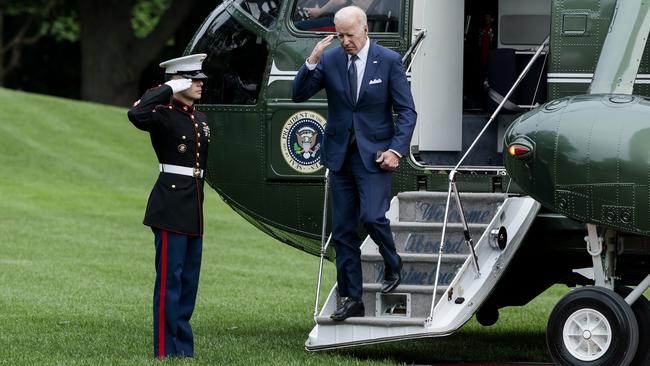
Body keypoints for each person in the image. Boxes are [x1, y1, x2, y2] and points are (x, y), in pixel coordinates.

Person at [292, 6, 417, 321]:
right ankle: (351, 298)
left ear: (365, 29)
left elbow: (407, 112)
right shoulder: (331, 59)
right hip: (339, 156)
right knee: (344, 230)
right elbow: (298, 94)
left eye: (349, 34)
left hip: (375, 155)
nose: (344, 41)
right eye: (339, 35)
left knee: (373, 216)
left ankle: (392, 261)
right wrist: (311, 62)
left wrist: (396, 150)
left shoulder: (388, 61)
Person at [127, 53, 210, 358]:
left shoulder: (200, 118)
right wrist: (170, 87)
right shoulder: (161, 114)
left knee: (188, 283)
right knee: (169, 282)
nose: (200, 84)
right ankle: (165, 349)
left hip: (194, 209)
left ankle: (183, 349)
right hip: (169, 206)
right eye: (193, 79)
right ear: (178, 81)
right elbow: (135, 114)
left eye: (200, 78)